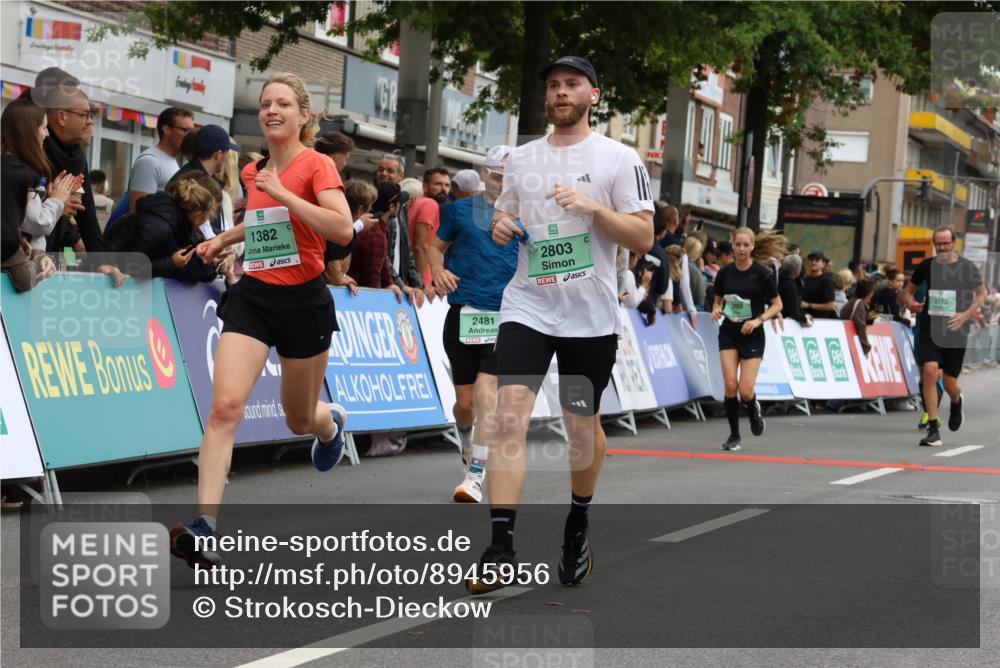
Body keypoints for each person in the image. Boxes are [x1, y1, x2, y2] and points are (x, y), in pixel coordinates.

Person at [467, 56, 654, 593]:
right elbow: (503, 212)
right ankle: (501, 548)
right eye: (553, 85)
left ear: (595, 95)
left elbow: (642, 237)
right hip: (527, 306)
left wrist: (594, 208)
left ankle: (578, 521)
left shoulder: (619, 158)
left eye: (572, 84)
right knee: (508, 418)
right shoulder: (522, 158)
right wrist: (502, 224)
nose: (561, 92)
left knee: (580, 430)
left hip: (588, 317)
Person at [170, 73, 355, 568]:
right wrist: (223, 240)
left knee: (299, 417)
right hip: (253, 297)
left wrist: (286, 193)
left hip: (304, 303)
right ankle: (205, 528)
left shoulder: (316, 165)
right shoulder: (255, 171)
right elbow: (263, 224)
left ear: (303, 116)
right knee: (224, 408)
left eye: (283, 104)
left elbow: (341, 229)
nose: (272, 110)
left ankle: (329, 424)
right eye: (266, 103)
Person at [427, 145, 517, 504]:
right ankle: (466, 439)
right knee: (465, 404)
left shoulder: (527, 214)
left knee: (486, 393)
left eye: (509, 176)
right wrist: (438, 270)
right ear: (484, 173)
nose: (502, 181)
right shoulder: (461, 210)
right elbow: (434, 248)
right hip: (464, 313)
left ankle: (476, 475)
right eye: (496, 174)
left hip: (506, 317)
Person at [898, 225, 986, 447]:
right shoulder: (926, 266)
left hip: (955, 329)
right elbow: (906, 292)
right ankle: (933, 428)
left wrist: (965, 315)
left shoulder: (967, 267)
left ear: (954, 243)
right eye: (938, 243)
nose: (942, 247)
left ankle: (956, 401)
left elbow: (981, 294)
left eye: (946, 243)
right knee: (929, 371)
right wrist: (910, 303)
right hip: (930, 327)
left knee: (949, 383)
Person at [711, 227, 783, 451]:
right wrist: (716, 310)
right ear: (732, 246)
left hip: (752, 335)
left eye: (745, 245)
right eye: (738, 245)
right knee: (730, 384)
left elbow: (777, 305)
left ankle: (753, 409)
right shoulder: (724, 273)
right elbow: (717, 301)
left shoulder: (762, 274)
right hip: (729, 333)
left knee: (745, 390)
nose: (741, 249)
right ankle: (734, 436)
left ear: (752, 247)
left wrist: (758, 320)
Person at [103, 171, 230, 283]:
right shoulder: (160, 226)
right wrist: (172, 263)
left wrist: (212, 263)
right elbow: (131, 267)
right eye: (208, 215)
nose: (208, 220)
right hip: (103, 277)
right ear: (197, 215)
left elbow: (186, 268)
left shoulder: (179, 224)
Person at [1, 97, 81, 252]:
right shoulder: (19, 173)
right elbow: (37, 223)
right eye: (44, 128)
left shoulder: (10, 166)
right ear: (28, 132)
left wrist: (52, 197)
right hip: (18, 262)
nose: (47, 134)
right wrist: (57, 200)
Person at [167, 125, 240, 237]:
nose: (227, 158)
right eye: (227, 153)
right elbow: (199, 231)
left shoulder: (191, 176)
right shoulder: (197, 183)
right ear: (218, 155)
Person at [124, 107, 194, 213]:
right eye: (185, 130)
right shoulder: (149, 162)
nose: (189, 136)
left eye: (191, 132)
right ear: (166, 130)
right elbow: (137, 210)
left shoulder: (171, 160)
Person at [376, 153, 425, 306]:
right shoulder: (371, 201)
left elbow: (407, 250)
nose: (384, 173)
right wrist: (401, 284)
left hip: (398, 289)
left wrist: (418, 286)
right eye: (381, 169)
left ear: (401, 176)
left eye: (390, 170)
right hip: (379, 287)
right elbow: (382, 254)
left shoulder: (402, 206)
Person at [325, 180, 377, 293]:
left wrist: (343, 276)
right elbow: (333, 274)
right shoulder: (335, 230)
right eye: (369, 207)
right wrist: (342, 279)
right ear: (360, 209)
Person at [409, 167, 451, 291]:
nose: (443, 189)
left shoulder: (417, 202)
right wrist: (423, 283)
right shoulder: (429, 204)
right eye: (438, 184)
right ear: (425, 187)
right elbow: (420, 247)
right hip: (418, 279)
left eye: (447, 185)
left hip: (411, 274)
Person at [840, 277, 877, 356]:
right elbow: (860, 326)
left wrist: (867, 318)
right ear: (868, 293)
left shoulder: (853, 301)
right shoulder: (859, 304)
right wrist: (866, 347)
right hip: (849, 342)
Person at [800, 250, 837, 319]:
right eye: (811, 260)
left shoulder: (826, 281)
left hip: (820, 321)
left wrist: (809, 305)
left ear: (823, 264)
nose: (813, 262)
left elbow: (831, 305)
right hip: (805, 319)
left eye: (817, 260)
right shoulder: (806, 279)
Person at [777, 254, 812, 326]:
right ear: (797, 271)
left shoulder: (776, 279)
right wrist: (804, 319)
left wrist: (804, 314)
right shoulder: (791, 286)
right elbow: (792, 310)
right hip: (784, 323)